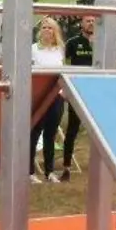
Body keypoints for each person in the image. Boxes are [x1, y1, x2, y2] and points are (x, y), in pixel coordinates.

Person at [30, 17, 67, 183]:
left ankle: (49, 171)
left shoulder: (60, 49)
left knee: (50, 134)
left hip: (56, 96)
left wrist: (64, 91)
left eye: (50, 28)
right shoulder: (33, 49)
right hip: (38, 95)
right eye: (44, 27)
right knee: (34, 132)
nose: (47, 30)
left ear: (55, 31)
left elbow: (63, 72)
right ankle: (30, 172)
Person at [59, 15, 95, 181]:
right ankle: (66, 167)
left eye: (94, 21)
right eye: (88, 21)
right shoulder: (73, 42)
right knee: (72, 129)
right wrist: (65, 87)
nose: (91, 23)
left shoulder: (102, 43)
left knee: (100, 130)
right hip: (77, 89)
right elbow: (61, 63)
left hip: (96, 90)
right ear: (82, 24)